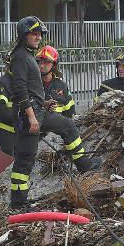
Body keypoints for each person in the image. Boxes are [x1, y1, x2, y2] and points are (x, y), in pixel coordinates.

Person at [36, 45, 101, 173]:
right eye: (39, 61)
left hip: (59, 133)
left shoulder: (61, 86)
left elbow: (70, 113)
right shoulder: (33, 83)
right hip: (39, 133)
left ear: (54, 65)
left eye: (46, 62)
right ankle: (84, 165)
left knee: (70, 127)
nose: (41, 65)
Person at [8, 16, 48, 211]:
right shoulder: (21, 57)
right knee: (24, 160)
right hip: (28, 116)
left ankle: (20, 200)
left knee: (66, 126)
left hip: (37, 111)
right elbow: (21, 89)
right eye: (34, 33)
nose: (38, 37)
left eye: (40, 33)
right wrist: (31, 117)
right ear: (24, 35)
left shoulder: (28, 55)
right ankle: (18, 202)